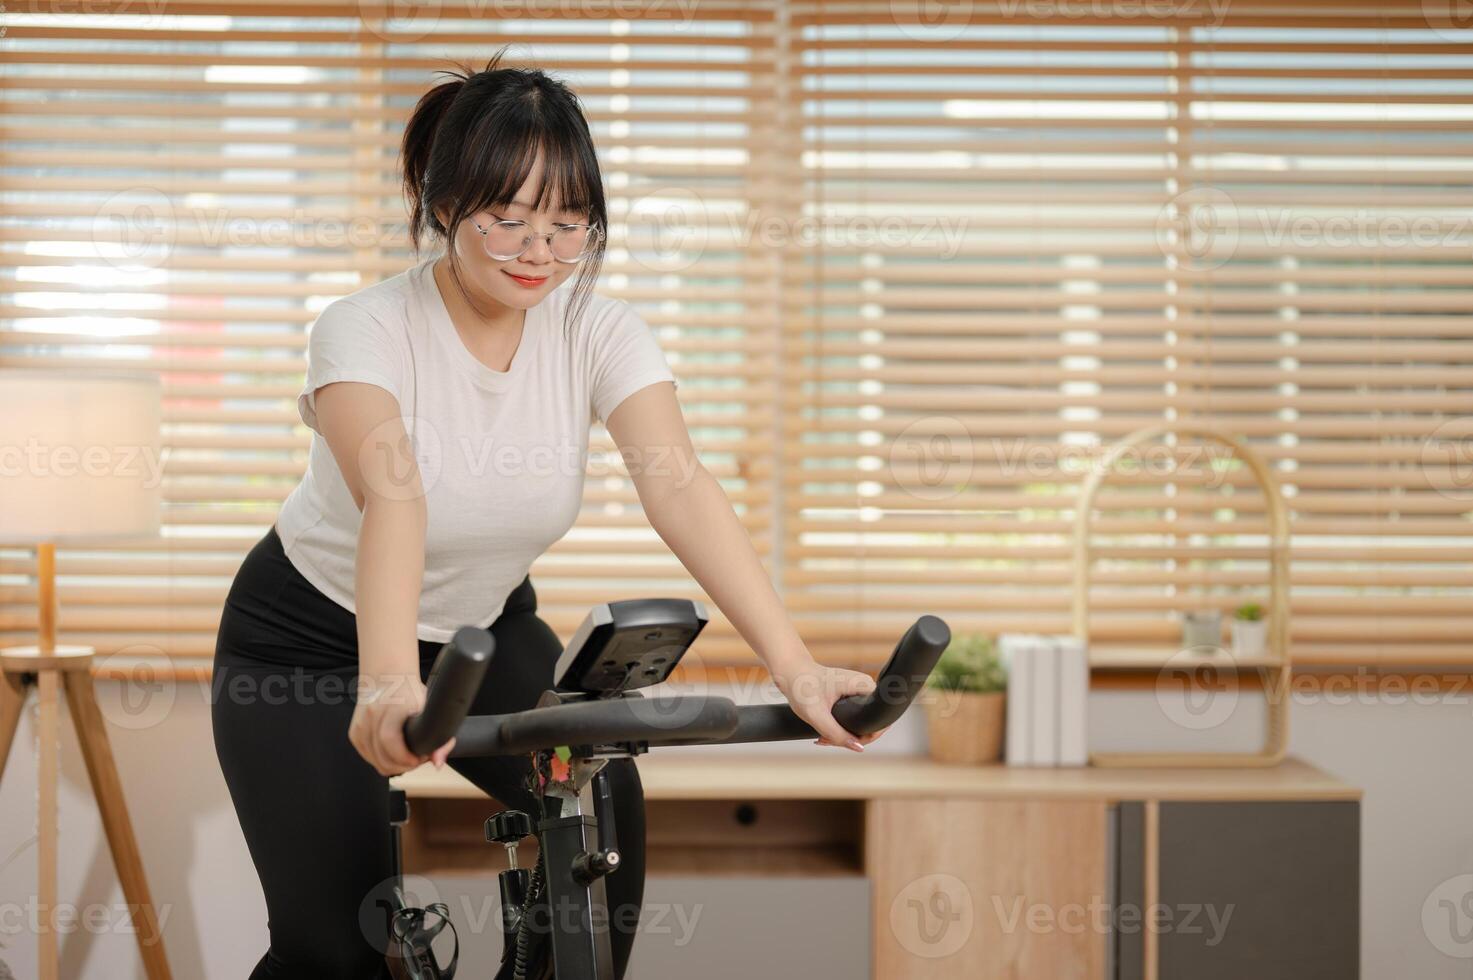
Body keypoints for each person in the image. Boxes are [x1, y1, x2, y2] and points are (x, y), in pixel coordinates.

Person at [209, 47, 887, 980]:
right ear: (444, 206)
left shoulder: (595, 329)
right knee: (336, 949)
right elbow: (396, 495)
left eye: (571, 225)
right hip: (311, 642)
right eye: (509, 219)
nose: (542, 252)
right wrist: (384, 685)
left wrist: (795, 665)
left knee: (600, 851)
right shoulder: (363, 328)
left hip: (482, 631)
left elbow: (679, 483)